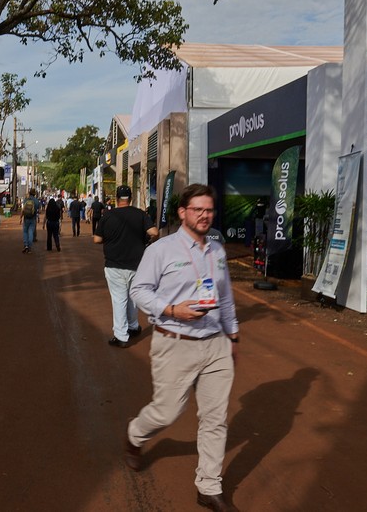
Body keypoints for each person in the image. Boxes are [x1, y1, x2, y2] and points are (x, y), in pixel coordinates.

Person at [125, 183, 240, 512]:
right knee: (167, 411)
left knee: (216, 418)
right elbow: (139, 291)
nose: (205, 216)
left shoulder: (217, 251)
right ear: (182, 213)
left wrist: (233, 336)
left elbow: (226, 297)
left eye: (209, 210)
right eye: (198, 210)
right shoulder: (160, 250)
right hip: (175, 341)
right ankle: (135, 435)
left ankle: (209, 486)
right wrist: (173, 310)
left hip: (215, 343)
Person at [93, 185, 158, 347]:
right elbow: (154, 232)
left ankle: (121, 335)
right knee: (132, 297)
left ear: (116, 198)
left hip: (114, 264)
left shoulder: (108, 215)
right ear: (131, 199)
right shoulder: (140, 214)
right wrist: (148, 243)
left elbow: (97, 239)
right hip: (137, 264)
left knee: (119, 299)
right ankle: (133, 326)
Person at [19, 188, 40, 253]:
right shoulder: (36, 201)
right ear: (34, 194)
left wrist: (20, 217)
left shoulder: (26, 200)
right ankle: (29, 246)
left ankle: (26, 245)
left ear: (29, 193)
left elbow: (23, 210)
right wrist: (38, 217)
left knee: (25, 232)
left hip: (26, 218)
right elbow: (38, 210)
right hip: (33, 218)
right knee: (31, 232)